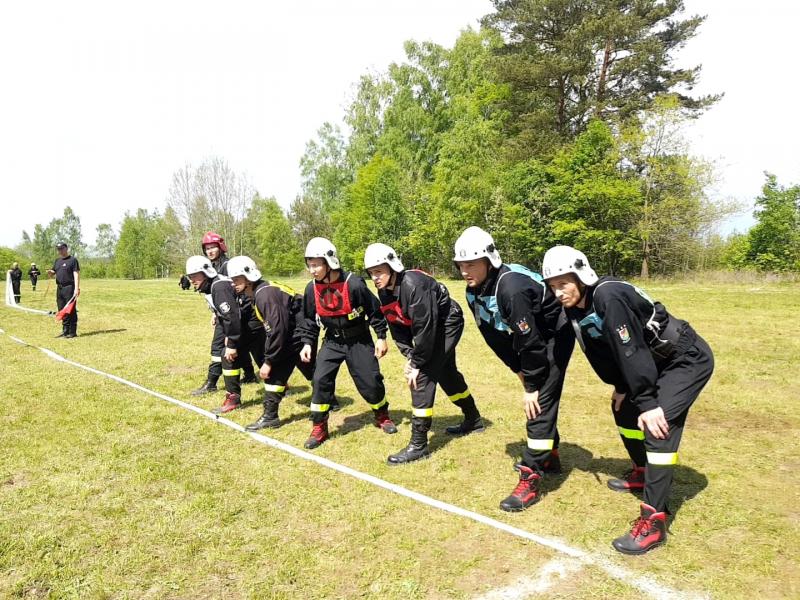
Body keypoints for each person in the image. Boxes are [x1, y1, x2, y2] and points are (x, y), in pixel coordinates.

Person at [541, 245, 714, 555]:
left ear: (581, 276)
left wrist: (647, 402)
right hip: (653, 362)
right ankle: (642, 472)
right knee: (623, 410)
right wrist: (622, 386)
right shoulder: (575, 306)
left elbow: (630, 348)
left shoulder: (608, 296)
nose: (558, 293)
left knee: (658, 428)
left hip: (684, 359)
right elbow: (600, 350)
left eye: (563, 284)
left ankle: (654, 521)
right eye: (552, 286)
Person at [453, 227, 574, 512]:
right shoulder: (474, 292)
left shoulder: (511, 288)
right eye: (460, 264)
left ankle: (531, 475)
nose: (464, 271)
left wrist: (532, 385)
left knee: (539, 403)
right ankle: (550, 454)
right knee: (538, 394)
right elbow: (494, 336)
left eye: (471, 263)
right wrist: (517, 369)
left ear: (489, 260)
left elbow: (531, 342)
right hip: (530, 340)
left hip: (555, 335)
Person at [364, 242, 483, 465]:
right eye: (371, 273)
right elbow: (397, 328)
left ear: (392, 267)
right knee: (447, 374)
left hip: (448, 322)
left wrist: (417, 363)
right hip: (430, 327)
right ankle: (473, 419)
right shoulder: (384, 292)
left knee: (423, 376)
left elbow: (425, 329)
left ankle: (418, 444)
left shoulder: (414, 285)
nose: (375, 278)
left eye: (379, 271)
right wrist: (410, 355)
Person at [300, 237, 397, 450]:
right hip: (332, 341)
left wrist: (381, 336)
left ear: (329, 261)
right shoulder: (310, 289)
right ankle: (319, 426)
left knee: (370, 381)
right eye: (310, 264)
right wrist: (308, 343)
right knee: (320, 379)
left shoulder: (354, 283)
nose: (312, 270)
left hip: (359, 341)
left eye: (316, 264)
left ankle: (382, 416)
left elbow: (374, 310)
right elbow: (308, 319)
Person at [228, 255, 316, 431]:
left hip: (298, 331)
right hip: (294, 330)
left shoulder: (264, 295)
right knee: (311, 369)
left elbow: (277, 330)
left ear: (248, 277)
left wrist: (268, 361)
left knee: (277, 370)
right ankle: (327, 398)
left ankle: (270, 416)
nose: (233, 283)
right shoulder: (258, 291)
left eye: (236, 279)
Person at [191, 231, 257, 395]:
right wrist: (215, 312)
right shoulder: (209, 267)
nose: (210, 251)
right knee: (237, 346)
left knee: (221, 347)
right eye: (207, 248)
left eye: (213, 247)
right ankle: (249, 374)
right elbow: (214, 294)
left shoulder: (229, 265)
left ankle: (212, 382)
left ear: (220, 247)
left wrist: (234, 313)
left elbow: (232, 292)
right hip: (225, 312)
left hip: (235, 312)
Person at [186, 255, 249, 415]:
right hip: (239, 320)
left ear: (206, 273)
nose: (192, 280)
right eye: (190, 277)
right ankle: (229, 393)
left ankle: (233, 397)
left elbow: (232, 316)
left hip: (249, 321)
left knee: (231, 355)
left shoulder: (219, 286)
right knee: (224, 353)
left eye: (194, 276)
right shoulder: (212, 285)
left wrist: (232, 343)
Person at [46, 243, 80, 338]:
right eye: (58, 249)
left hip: (69, 287)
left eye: (62, 248)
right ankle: (65, 331)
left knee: (70, 309)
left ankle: (72, 332)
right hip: (60, 288)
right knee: (61, 309)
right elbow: (54, 272)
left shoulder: (73, 260)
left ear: (66, 248)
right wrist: (50, 272)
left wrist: (76, 288)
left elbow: (76, 274)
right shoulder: (57, 261)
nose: (60, 251)